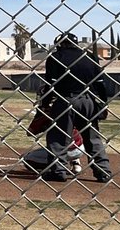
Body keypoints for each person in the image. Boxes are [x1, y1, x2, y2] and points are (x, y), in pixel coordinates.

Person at [39, 33, 112, 182]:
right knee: (93, 138)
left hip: (66, 100)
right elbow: (100, 83)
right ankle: (103, 171)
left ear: (60, 44)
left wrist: (45, 105)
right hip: (88, 100)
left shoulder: (55, 57)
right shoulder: (90, 56)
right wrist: (103, 104)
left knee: (58, 136)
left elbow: (50, 85)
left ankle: (58, 170)